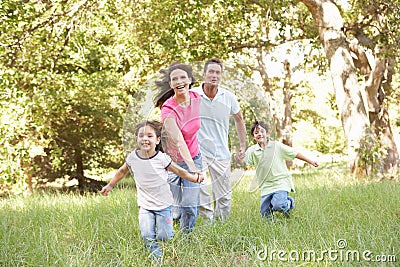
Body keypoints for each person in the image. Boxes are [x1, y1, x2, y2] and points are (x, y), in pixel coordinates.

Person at [100, 120, 204, 260]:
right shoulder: (133, 158)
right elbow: (121, 171)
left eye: (150, 136)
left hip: (164, 206)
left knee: (164, 236)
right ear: (137, 139)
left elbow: (180, 172)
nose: (145, 139)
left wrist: (194, 178)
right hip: (145, 206)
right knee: (147, 235)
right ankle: (157, 259)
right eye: (141, 136)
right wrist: (110, 185)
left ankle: (167, 233)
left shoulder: (162, 158)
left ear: (157, 140)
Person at [192, 58, 247, 221]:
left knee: (223, 195)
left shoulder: (228, 97)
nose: (214, 75)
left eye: (218, 72)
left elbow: (239, 120)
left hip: (221, 151)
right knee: (200, 188)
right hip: (198, 151)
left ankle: (222, 225)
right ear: (204, 74)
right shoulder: (193, 94)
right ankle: (207, 222)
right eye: (211, 72)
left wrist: (242, 145)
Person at [154, 63, 203, 233]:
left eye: (183, 77)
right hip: (173, 163)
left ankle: (186, 237)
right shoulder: (168, 109)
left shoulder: (197, 98)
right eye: (175, 79)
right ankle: (166, 229)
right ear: (170, 84)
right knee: (174, 209)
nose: (179, 81)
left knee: (189, 205)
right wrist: (193, 169)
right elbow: (180, 141)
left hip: (195, 156)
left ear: (190, 80)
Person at [244, 121, 318, 220]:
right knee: (265, 213)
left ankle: (289, 203)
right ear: (253, 137)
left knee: (278, 205)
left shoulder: (276, 146)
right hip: (265, 185)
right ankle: (272, 228)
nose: (260, 134)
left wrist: (311, 161)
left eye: (262, 131)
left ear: (267, 134)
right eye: (256, 133)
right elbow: (244, 162)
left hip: (280, 182)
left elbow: (294, 153)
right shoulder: (252, 151)